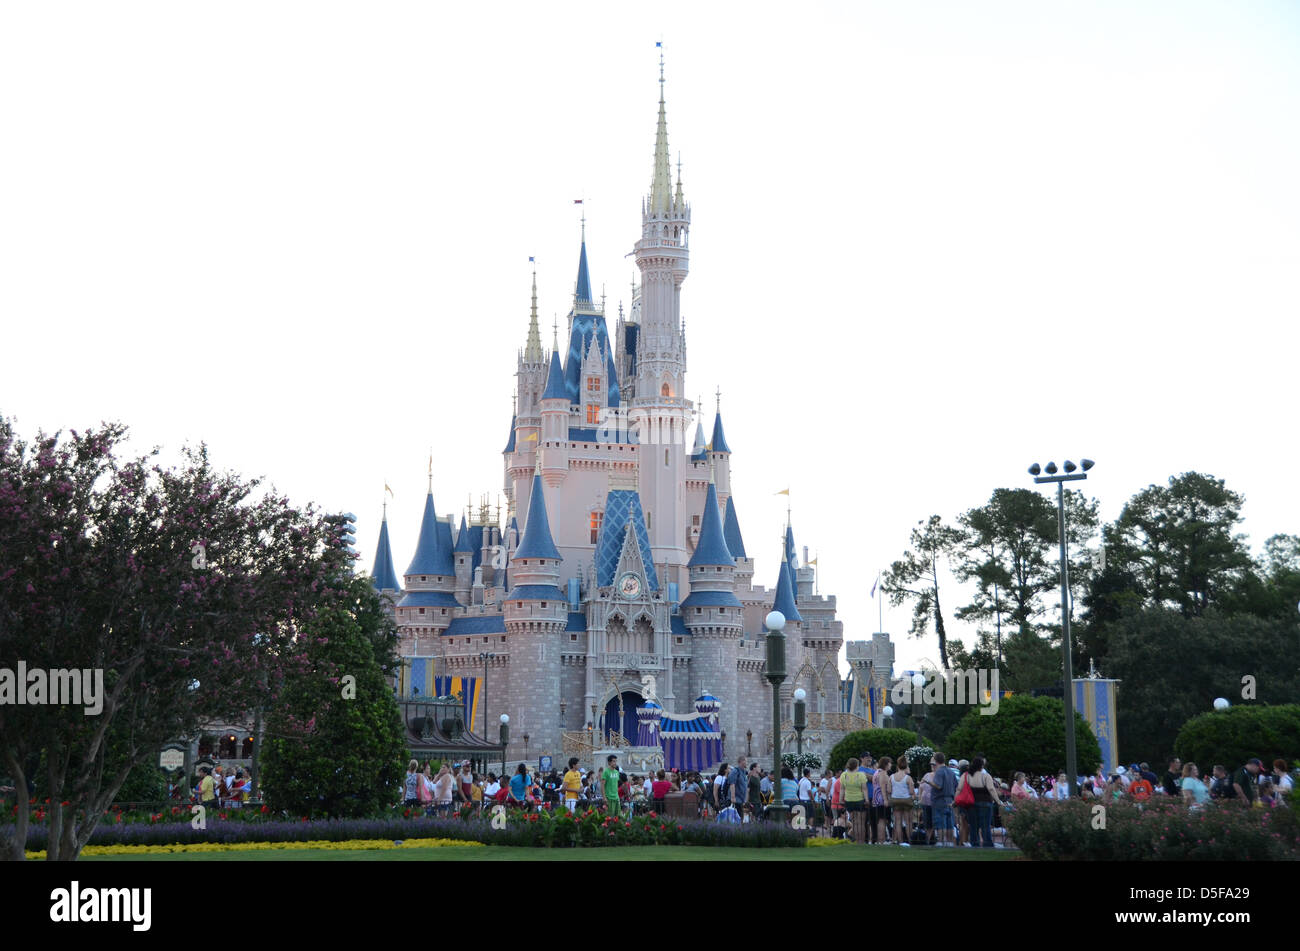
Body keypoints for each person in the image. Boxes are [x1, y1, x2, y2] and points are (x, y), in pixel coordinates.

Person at [965, 756, 1003, 848]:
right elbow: (991, 789)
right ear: (982, 766)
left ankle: (975, 843)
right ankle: (987, 844)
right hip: (985, 802)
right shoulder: (986, 776)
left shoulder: (968, 776)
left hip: (972, 803)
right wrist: (998, 801)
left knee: (974, 825)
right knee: (985, 825)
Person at [926, 753, 957, 847]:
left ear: (936, 761)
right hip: (950, 800)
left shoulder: (939, 771)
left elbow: (938, 785)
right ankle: (950, 842)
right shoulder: (951, 772)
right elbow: (956, 786)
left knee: (940, 822)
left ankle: (941, 842)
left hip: (939, 800)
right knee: (949, 823)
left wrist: (928, 782)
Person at [839, 757, 868, 844]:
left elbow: (842, 789)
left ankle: (855, 841)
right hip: (859, 800)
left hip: (849, 800)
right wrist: (867, 800)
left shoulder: (843, 775)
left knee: (854, 823)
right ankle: (861, 841)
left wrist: (841, 799)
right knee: (861, 823)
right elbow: (864, 789)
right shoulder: (861, 775)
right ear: (857, 766)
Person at [890, 758, 915, 847]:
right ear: (906, 766)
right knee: (908, 822)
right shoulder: (908, 778)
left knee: (898, 821)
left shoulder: (892, 776)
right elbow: (912, 792)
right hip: (906, 800)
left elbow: (889, 790)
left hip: (895, 800)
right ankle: (909, 840)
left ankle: (900, 841)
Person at [872, 756, 892, 844]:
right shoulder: (883, 773)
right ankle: (882, 840)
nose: (891, 765)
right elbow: (883, 787)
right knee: (882, 820)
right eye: (890, 763)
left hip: (876, 799)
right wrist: (886, 800)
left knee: (881, 820)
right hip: (882, 800)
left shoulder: (876, 772)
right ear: (886, 764)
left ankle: (880, 840)